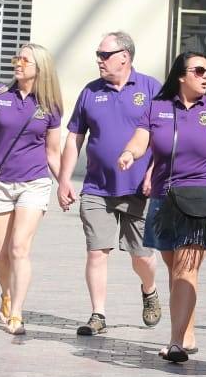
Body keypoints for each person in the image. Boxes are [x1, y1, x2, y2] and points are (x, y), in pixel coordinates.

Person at [117, 51, 206, 363]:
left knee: (186, 268)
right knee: (176, 269)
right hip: (164, 198)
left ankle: (176, 341)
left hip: (200, 196)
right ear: (180, 75)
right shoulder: (158, 108)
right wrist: (129, 154)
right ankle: (187, 332)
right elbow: (141, 139)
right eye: (199, 70)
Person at [57, 32, 162, 336]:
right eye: (98, 54)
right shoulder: (91, 92)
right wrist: (64, 179)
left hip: (138, 189)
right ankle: (98, 314)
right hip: (97, 188)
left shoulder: (151, 89)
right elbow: (75, 137)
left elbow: (164, 138)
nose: (99, 60)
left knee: (141, 256)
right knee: (96, 251)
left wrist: (153, 172)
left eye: (104, 55)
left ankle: (150, 289)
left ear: (124, 56)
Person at [0, 42, 63, 336]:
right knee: (1, 255)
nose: (18, 63)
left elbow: (52, 151)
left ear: (40, 68)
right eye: (17, 58)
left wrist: (64, 182)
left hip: (35, 183)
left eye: (25, 60)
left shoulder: (49, 106)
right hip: (1, 183)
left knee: (19, 248)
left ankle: (17, 313)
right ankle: (7, 293)